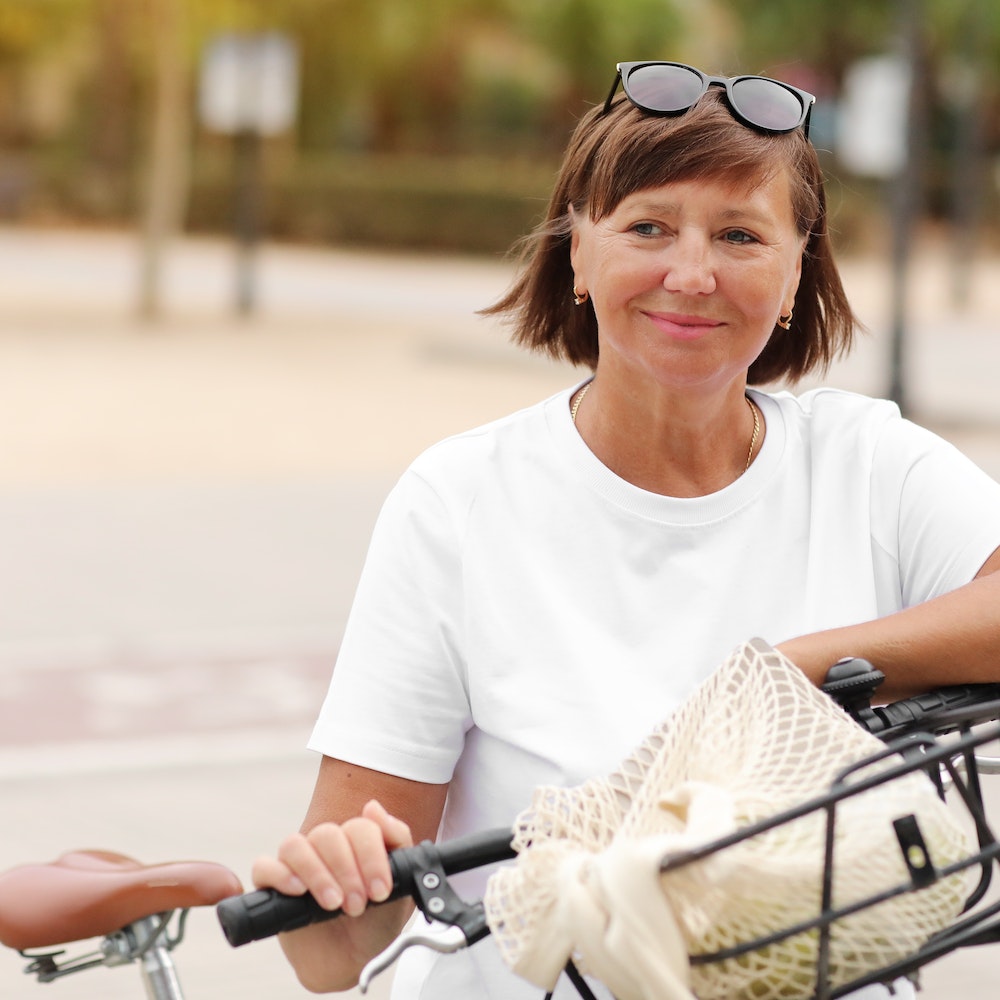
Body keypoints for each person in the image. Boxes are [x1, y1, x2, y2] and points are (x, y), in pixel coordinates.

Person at [252, 61, 1000, 999]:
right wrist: (338, 888)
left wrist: (792, 668)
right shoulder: (459, 500)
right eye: (647, 227)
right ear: (578, 252)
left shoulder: (868, 465)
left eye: (740, 235)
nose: (692, 275)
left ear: (796, 269)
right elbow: (334, 958)